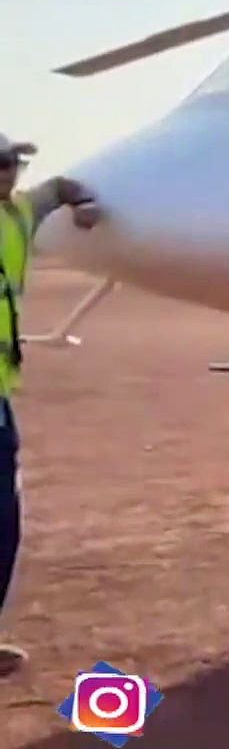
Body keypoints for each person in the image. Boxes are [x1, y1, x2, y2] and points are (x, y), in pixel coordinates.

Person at [0, 135, 100, 678]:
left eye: (12, 163)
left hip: (0, 397)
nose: (8, 173)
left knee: (3, 525)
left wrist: (81, 201)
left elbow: (57, 188)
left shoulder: (17, 212)